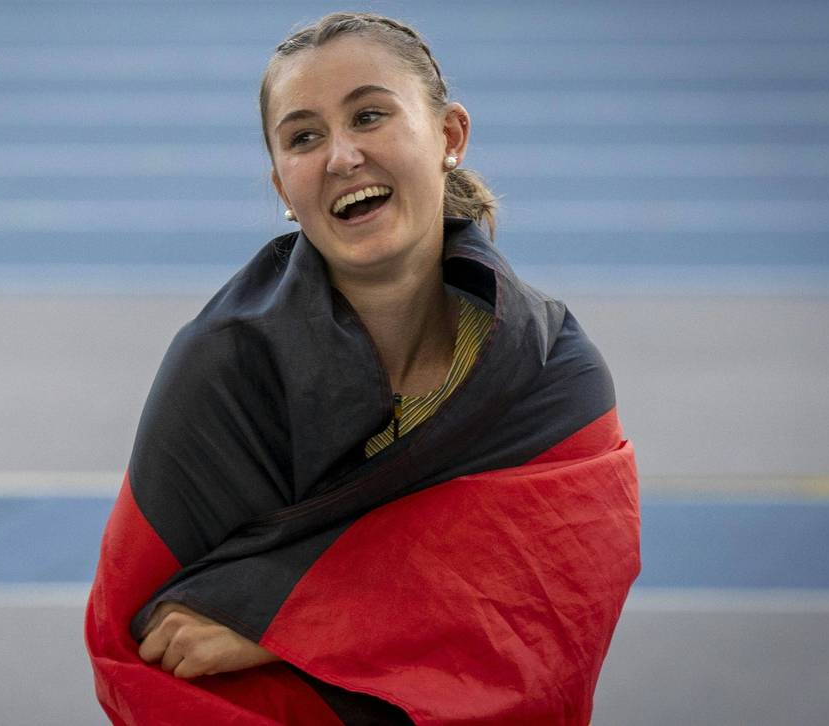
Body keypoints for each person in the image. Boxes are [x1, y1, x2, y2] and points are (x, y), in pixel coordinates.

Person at [85, 12, 640, 725]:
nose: (342, 157)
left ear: (449, 136)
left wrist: (277, 623)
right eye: (303, 138)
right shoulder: (227, 366)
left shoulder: (548, 367)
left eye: (370, 116)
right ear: (283, 187)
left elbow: (555, 608)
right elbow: (136, 639)